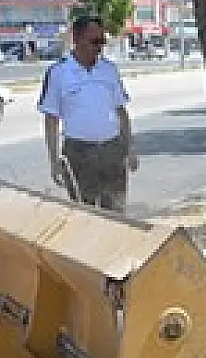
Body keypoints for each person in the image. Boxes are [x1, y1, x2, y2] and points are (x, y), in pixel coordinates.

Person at [37, 14, 138, 213]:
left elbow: (122, 113)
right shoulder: (58, 73)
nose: (99, 47)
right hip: (78, 153)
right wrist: (54, 160)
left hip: (112, 151)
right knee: (85, 213)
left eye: (102, 41)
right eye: (94, 41)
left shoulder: (109, 70)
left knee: (117, 212)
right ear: (77, 39)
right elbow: (51, 120)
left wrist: (130, 149)